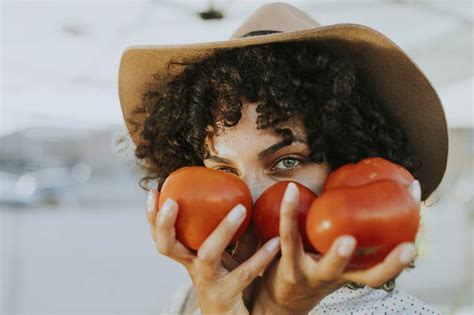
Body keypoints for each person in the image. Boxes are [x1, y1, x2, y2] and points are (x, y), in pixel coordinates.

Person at [118, 2, 448, 314]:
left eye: (287, 161)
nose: (250, 198)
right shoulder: (191, 301)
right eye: (224, 169)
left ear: (350, 164)